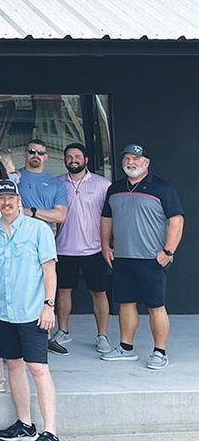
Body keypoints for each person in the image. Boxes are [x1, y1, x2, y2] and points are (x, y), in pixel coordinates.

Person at [0, 179, 59, 441]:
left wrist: (49, 306)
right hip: (4, 311)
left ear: (19, 201)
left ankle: (50, 432)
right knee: (13, 365)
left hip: (32, 311)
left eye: (10, 199)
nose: (6, 203)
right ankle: (25, 424)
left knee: (38, 368)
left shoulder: (38, 230)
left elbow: (50, 270)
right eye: (1, 198)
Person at [100, 143, 184, 369]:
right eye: (127, 159)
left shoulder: (162, 188)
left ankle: (160, 352)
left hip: (151, 259)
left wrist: (167, 252)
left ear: (146, 163)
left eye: (136, 159)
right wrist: (105, 245)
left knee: (155, 306)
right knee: (125, 304)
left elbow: (176, 220)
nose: (131, 162)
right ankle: (126, 348)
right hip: (122, 258)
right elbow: (106, 218)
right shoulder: (114, 189)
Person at [51, 142, 112, 355]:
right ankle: (63, 331)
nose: (73, 160)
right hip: (63, 248)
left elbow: (110, 217)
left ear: (86, 159)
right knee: (62, 291)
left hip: (94, 249)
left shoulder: (103, 184)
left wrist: (109, 244)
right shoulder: (57, 184)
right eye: (68, 157)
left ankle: (102, 335)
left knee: (99, 292)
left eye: (77, 156)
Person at [16, 139, 68, 232]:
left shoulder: (56, 183)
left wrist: (32, 211)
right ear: (25, 154)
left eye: (40, 153)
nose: (36, 155)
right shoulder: (14, 178)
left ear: (46, 157)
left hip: (44, 236)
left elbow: (60, 215)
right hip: (18, 234)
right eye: (32, 152)